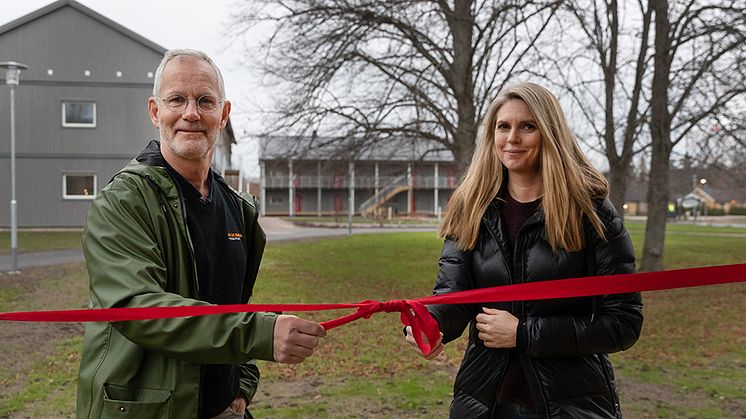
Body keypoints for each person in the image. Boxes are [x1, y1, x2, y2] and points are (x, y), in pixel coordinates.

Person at [76, 49, 326, 419]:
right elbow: (137, 306)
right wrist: (257, 335)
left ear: (223, 115)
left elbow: (234, 303)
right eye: (177, 99)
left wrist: (241, 385)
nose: (191, 113)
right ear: (155, 111)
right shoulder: (123, 201)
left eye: (205, 101)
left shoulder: (239, 208)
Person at [404, 82, 643, 418]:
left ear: (549, 134)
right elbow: (453, 297)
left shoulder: (592, 213)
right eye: (504, 126)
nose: (512, 138)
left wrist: (524, 333)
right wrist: (428, 323)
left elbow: (623, 322)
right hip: (486, 404)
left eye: (527, 126)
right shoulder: (470, 209)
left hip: (571, 406)